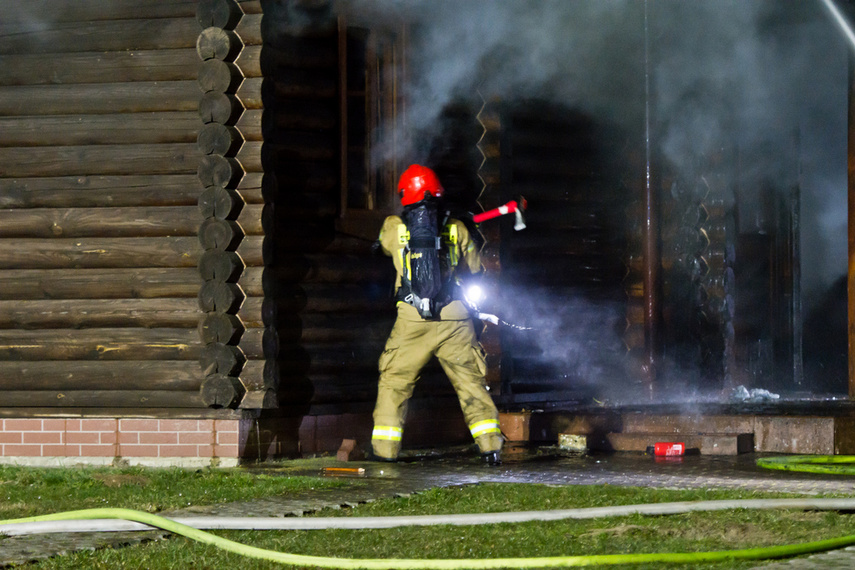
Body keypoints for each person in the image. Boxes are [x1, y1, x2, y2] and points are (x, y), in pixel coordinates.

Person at [370, 164, 503, 466]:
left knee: (395, 382)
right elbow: (475, 270)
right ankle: (490, 447)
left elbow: (382, 245)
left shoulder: (393, 226)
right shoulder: (457, 228)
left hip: (412, 320)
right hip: (455, 320)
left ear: (405, 194)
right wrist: (468, 231)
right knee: (470, 383)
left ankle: (384, 451)